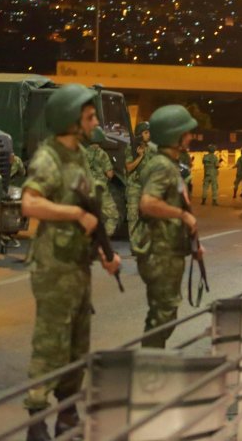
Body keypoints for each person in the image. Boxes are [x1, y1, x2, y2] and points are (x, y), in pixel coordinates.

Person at [20, 84, 122, 441]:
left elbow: (91, 213)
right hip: (54, 266)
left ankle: (66, 414)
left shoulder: (79, 155)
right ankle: (36, 419)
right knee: (51, 342)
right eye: (90, 117)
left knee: (78, 344)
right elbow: (30, 204)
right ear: (71, 120)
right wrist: (75, 213)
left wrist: (105, 254)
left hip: (78, 264)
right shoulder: (48, 158)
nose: (95, 123)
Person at [137, 105, 203, 348]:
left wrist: (194, 242)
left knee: (165, 313)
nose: (190, 136)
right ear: (174, 135)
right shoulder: (161, 166)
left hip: (170, 249)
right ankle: (149, 366)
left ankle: (152, 362)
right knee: (162, 314)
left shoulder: (171, 164)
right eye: (186, 132)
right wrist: (183, 217)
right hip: (159, 252)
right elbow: (148, 203)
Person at [85, 127, 121, 237]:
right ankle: (102, 239)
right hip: (100, 189)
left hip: (86, 189)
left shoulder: (82, 152)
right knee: (112, 215)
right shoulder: (102, 154)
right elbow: (109, 174)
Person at [126, 121, 152, 252]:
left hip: (146, 188)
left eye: (149, 132)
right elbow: (129, 167)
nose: (149, 135)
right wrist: (140, 156)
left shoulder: (151, 149)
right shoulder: (131, 148)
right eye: (146, 133)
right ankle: (134, 246)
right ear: (139, 134)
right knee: (133, 216)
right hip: (134, 187)